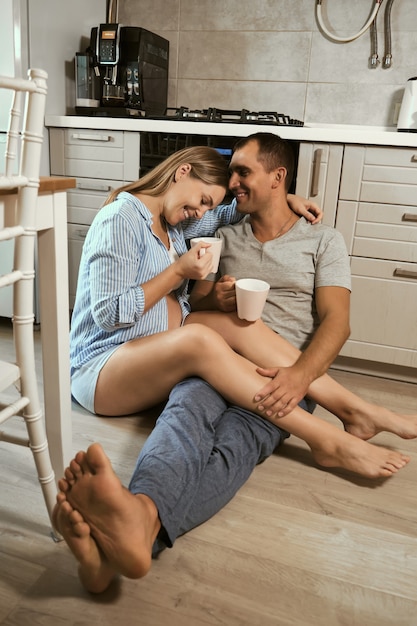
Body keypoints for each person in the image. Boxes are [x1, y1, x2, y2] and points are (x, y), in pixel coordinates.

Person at [54, 135, 417, 593]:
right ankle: (330, 440)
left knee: (235, 334)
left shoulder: (190, 224)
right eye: (207, 198)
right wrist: (184, 275)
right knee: (199, 362)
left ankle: (129, 534)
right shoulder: (125, 218)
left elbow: (227, 207)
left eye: (239, 180)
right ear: (182, 171)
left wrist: (289, 199)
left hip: (212, 361)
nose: (205, 212)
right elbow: (108, 313)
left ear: (276, 178)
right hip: (108, 366)